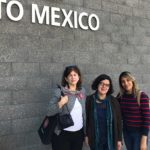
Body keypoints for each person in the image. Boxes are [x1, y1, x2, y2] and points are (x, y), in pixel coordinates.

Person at [47, 65, 86, 150]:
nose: (73, 77)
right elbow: (49, 111)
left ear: (79, 77)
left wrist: (85, 133)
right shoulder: (59, 92)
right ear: (66, 78)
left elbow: (84, 113)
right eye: (70, 75)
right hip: (62, 134)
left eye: (75, 75)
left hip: (78, 134)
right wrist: (60, 103)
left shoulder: (82, 91)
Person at [86, 74, 122, 150]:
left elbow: (119, 121)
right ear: (97, 84)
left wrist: (119, 139)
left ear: (109, 87)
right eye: (101, 83)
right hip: (95, 138)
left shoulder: (113, 101)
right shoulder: (89, 100)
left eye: (107, 85)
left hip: (111, 138)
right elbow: (86, 119)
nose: (104, 86)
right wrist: (86, 135)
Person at [117, 71, 150, 150]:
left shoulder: (141, 96)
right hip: (126, 132)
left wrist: (144, 140)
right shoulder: (120, 97)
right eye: (123, 81)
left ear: (132, 81)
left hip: (139, 134)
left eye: (128, 80)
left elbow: (147, 119)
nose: (126, 83)